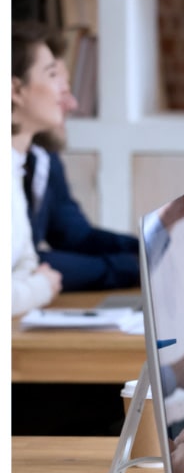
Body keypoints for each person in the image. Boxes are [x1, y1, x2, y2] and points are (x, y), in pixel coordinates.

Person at [23, 25, 141, 292]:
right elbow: (22, 266)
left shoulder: (44, 157)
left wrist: (146, 249)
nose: (72, 104)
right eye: (60, 89)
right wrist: (129, 267)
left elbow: (74, 235)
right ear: (16, 91)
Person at [12, 21, 64, 316]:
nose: (63, 89)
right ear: (15, 90)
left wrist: (26, 286)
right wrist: (40, 287)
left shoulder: (15, 167)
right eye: (52, 74)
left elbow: (27, 263)